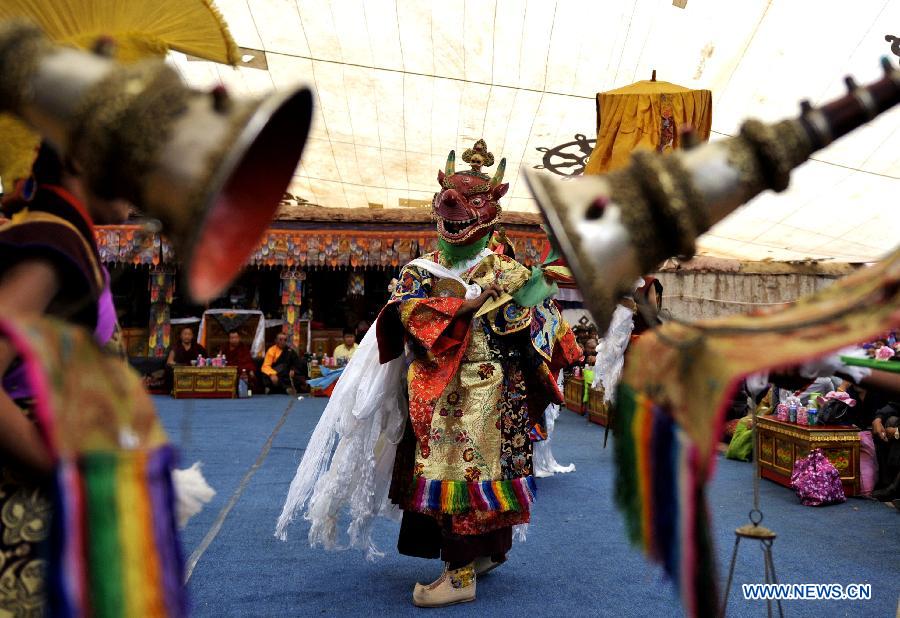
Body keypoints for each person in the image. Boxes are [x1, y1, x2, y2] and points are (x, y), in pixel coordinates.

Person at [276, 140, 582, 607]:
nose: (456, 211)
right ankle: (481, 556)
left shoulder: (507, 268)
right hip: (435, 393)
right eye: (449, 201)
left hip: (492, 393)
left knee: (469, 473)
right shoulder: (424, 269)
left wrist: (516, 304)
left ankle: (463, 571)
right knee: (448, 472)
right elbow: (399, 314)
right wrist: (463, 305)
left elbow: (541, 325)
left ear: (491, 212)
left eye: (472, 203)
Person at [0, 142, 132, 612]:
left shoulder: (60, 236)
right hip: (24, 519)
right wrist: (56, 467)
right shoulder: (53, 242)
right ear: (78, 157)